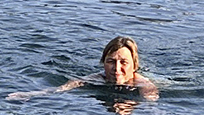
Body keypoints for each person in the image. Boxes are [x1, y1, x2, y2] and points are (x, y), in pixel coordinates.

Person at [10, 35, 162, 101]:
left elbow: (151, 102)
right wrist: (31, 94)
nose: (116, 68)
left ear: (134, 66)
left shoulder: (144, 84)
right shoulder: (95, 79)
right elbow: (62, 89)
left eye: (123, 62)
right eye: (111, 61)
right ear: (103, 62)